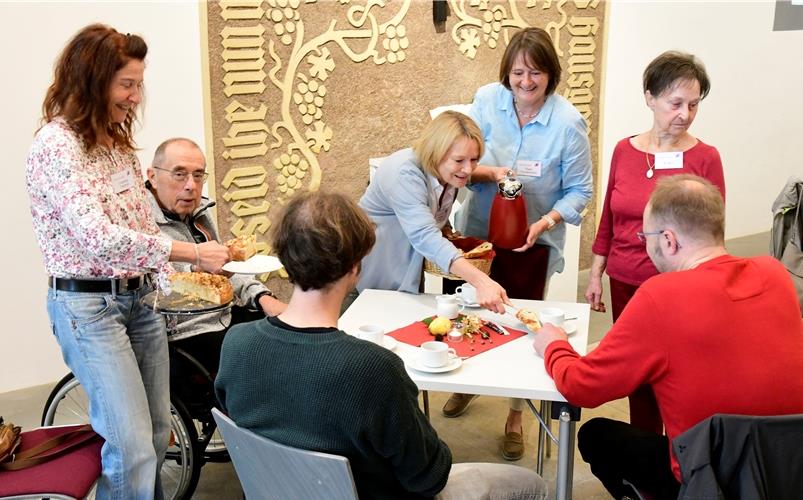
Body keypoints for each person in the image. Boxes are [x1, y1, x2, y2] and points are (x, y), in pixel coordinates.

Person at [215, 191, 547, 500]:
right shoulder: (373, 368)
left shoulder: (237, 343)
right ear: (355, 267)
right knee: (533, 486)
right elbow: (429, 476)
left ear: (285, 262)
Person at [25, 24, 230, 498]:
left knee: (158, 435)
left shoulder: (114, 142)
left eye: (139, 84)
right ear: (92, 81)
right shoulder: (57, 147)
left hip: (140, 303)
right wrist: (192, 252)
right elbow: (99, 239)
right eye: (127, 84)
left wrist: (171, 285)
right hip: (89, 312)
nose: (136, 97)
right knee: (131, 443)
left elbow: (139, 220)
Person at [533, 175, 803, 500]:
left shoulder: (660, 296)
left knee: (595, 435)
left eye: (645, 236)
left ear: (669, 240)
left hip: (708, 481)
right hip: (788, 471)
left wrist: (554, 345)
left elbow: (582, 387)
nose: (646, 245)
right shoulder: (775, 275)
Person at [447, 26, 593, 461]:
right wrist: (487, 173)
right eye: (517, 73)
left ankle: (515, 414)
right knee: (469, 311)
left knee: (521, 320)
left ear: (551, 74)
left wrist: (546, 221)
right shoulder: (486, 101)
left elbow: (581, 191)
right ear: (506, 74)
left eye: (536, 73)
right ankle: (465, 383)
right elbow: (461, 159)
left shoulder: (567, 124)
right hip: (479, 231)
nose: (526, 83)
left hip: (533, 238)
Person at [584, 51, 726, 434]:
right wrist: (597, 274)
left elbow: (714, 235)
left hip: (681, 289)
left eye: (693, 105)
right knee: (639, 377)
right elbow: (609, 218)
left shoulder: (706, 158)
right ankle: (648, 459)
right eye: (675, 103)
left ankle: (683, 459)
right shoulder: (623, 150)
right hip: (627, 281)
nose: (685, 114)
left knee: (680, 376)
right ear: (650, 97)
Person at [145, 137, 286, 369]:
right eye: (179, 174)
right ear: (153, 176)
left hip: (227, 315)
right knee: (261, 361)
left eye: (198, 175)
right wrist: (198, 269)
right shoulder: (142, 224)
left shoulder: (200, 211)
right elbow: (163, 287)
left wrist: (262, 297)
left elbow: (228, 266)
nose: (191, 185)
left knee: (290, 334)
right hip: (187, 330)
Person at [357, 110, 510, 313]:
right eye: (459, 161)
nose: (468, 169)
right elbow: (424, 235)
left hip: (408, 271)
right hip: (369, 274)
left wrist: (445, 226)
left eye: (474, 160)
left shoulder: (448, 173)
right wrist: (482, 282)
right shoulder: (403, 172)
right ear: (436, 152)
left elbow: (433, 207)